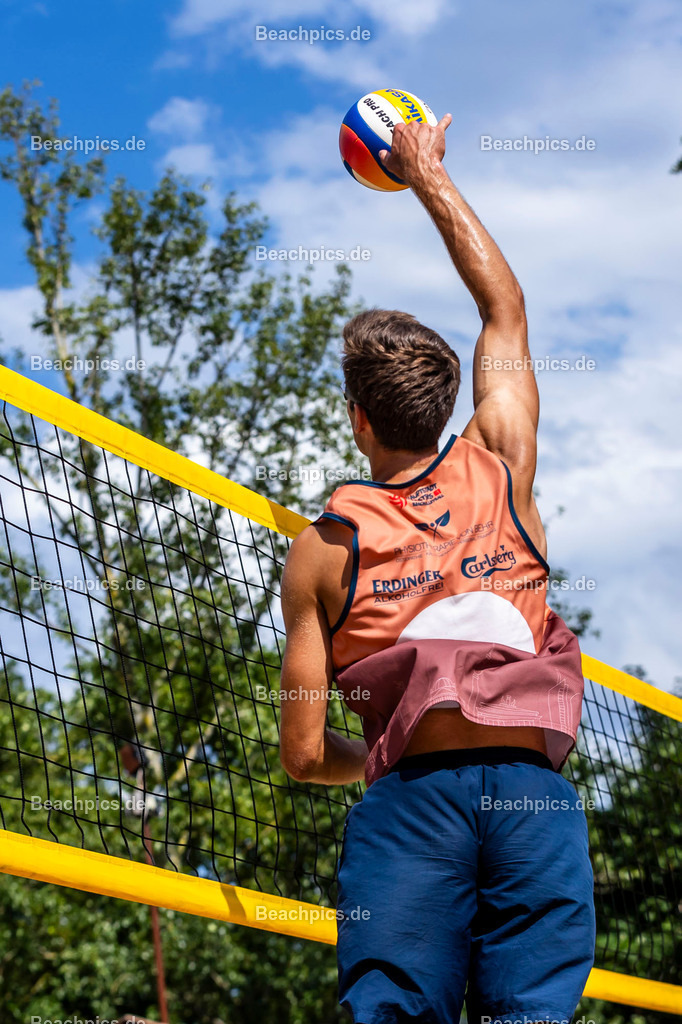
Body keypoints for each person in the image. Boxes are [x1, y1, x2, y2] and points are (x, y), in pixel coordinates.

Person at [279, 112, 596, 1024]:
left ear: (359, 420)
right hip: (533, 802)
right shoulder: (502, 464)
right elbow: (505, 308)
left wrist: (381, 757)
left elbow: (304, 755)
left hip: (410, 805)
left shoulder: (323, 550)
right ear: (450, 398)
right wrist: (427, 175)